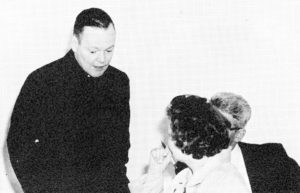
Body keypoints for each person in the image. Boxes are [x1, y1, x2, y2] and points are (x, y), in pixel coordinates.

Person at [6, 8, 130, 193]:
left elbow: (119, 149)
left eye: (109, 50)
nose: (102, 59)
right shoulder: (42, 82)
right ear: (75, 43)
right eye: (93, 51)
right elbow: (19, 148)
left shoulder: (118, 82)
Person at [176, 92, 300, 193]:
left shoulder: (272, 157)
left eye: (220, 127)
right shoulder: (189, 163)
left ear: (239, 135)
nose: (210, 131)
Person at [129, 95, 249, 193]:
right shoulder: (186, 177)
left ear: (189, 139)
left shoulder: (224, 183)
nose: (166, 142)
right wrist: (155, 172)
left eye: (170, 136)